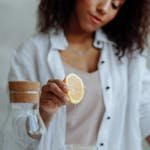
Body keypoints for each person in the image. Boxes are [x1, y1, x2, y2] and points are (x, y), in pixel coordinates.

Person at [6, 0, 150, 149]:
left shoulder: (127, 55)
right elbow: (18, 137)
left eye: (115, 5)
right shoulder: (30, 54)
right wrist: (43, 112)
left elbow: (146, 110)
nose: (104, 9)